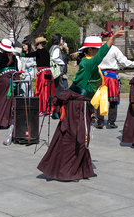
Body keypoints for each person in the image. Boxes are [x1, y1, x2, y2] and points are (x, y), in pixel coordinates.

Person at [38, 28, 125, 181]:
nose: (99, 52)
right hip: (77, 105)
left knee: (80, 136)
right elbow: (101, 56)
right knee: (76, 136)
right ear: (90, 49)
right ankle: (67, 170)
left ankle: (81, 168)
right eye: (97, 49)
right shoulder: (89, 62)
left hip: (80, 104)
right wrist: (112, 40)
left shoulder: (88, 61)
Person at [96, 34, 134, 129]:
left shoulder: (98, 48)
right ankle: (111, 121)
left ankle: (100, 121)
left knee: (100, 99)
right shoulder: (114, 49)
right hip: (112, 77)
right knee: (113, 100)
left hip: (100, 76)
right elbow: (124, 62)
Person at [21, 36, 56, 115]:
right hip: (49, 73)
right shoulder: (47, 52)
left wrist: (19, 54)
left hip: (42, 74)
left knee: (41, 90)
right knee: (49, 91)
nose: (36, 46)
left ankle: (42, 109)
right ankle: (49, 108)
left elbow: (29, 55)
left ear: (40, 45)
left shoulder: (39, 52)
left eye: (37, 45)